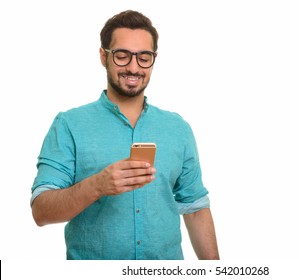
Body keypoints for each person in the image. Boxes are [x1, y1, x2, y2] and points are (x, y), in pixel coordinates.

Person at [31, 10, 219, 260]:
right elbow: (41, 212)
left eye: (144, 57)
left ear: (154, 59)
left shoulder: (178, 128)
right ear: (103, 56)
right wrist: (97, 185)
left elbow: (195, 209)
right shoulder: (69, 125)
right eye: (122, 56)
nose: (133, 67)